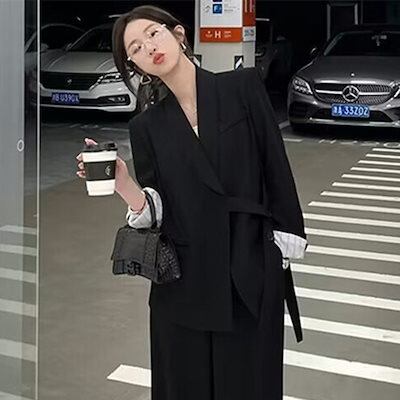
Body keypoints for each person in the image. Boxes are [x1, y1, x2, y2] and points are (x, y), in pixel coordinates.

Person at [76, 5, 308, 399]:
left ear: (178, 34)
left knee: (249, 385)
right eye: (135, 48)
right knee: (185, 386)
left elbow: (275, 165)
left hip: (249, 266)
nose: (149, 47)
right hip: (183, 280)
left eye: (153, 34)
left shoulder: (241, 87)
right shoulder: (146, 126)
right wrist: (123, 183)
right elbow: (157, 209)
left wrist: (278, 249)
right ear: (134, 65)